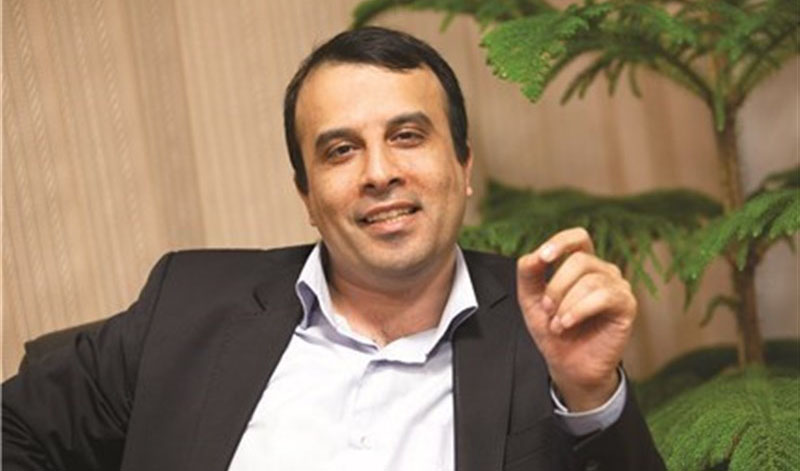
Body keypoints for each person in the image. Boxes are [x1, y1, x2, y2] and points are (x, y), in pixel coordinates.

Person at [3, 27, 665, 471]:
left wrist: (590, 397)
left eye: (407, 136)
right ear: (307, 194)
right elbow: (16, 428)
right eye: (341, 149)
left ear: (463, 165)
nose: (379, 173)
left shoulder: (542, 331)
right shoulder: (186, 305)